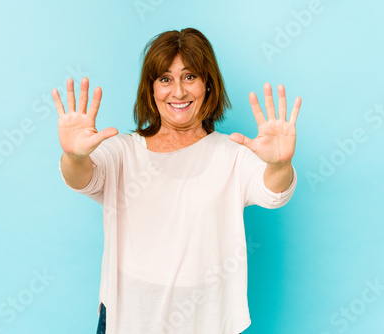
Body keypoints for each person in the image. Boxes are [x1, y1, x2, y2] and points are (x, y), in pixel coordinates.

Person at [53, 27, 301, 334]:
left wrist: (280, 163)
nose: (179, 92)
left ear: (208, 85)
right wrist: (74, 156)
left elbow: (273, 192)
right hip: (128, 317)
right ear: (152, 89)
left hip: (204, 321)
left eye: (190, 76)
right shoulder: (123, 151)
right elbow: (82, 178)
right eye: (165, 79)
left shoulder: (232, 154)